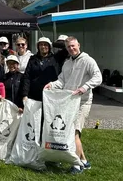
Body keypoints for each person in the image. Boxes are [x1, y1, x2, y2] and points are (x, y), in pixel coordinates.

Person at [44, 36, 102, 174]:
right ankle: (84, 162)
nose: (71, 48)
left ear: (79, 45)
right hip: (69, 103)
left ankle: (77, 165)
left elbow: (98, 77)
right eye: (69, 47)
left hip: (83, 101)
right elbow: (62, 81)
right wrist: (52, 85)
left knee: (75, 133)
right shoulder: (67, 63)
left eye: (73, 46)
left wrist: (84, 87)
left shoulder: (88, 60)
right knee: (70, 132)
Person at [21, 37, 60, 102]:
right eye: (41, 45)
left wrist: (53, 43)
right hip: (35, 95)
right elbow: (27, 77)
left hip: (51, 94)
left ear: (49, 47)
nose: (43, 47)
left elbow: (65, 49)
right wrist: (25, 94)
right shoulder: (32, 59)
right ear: (38, 47)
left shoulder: (56, 58)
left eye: (45, 44)